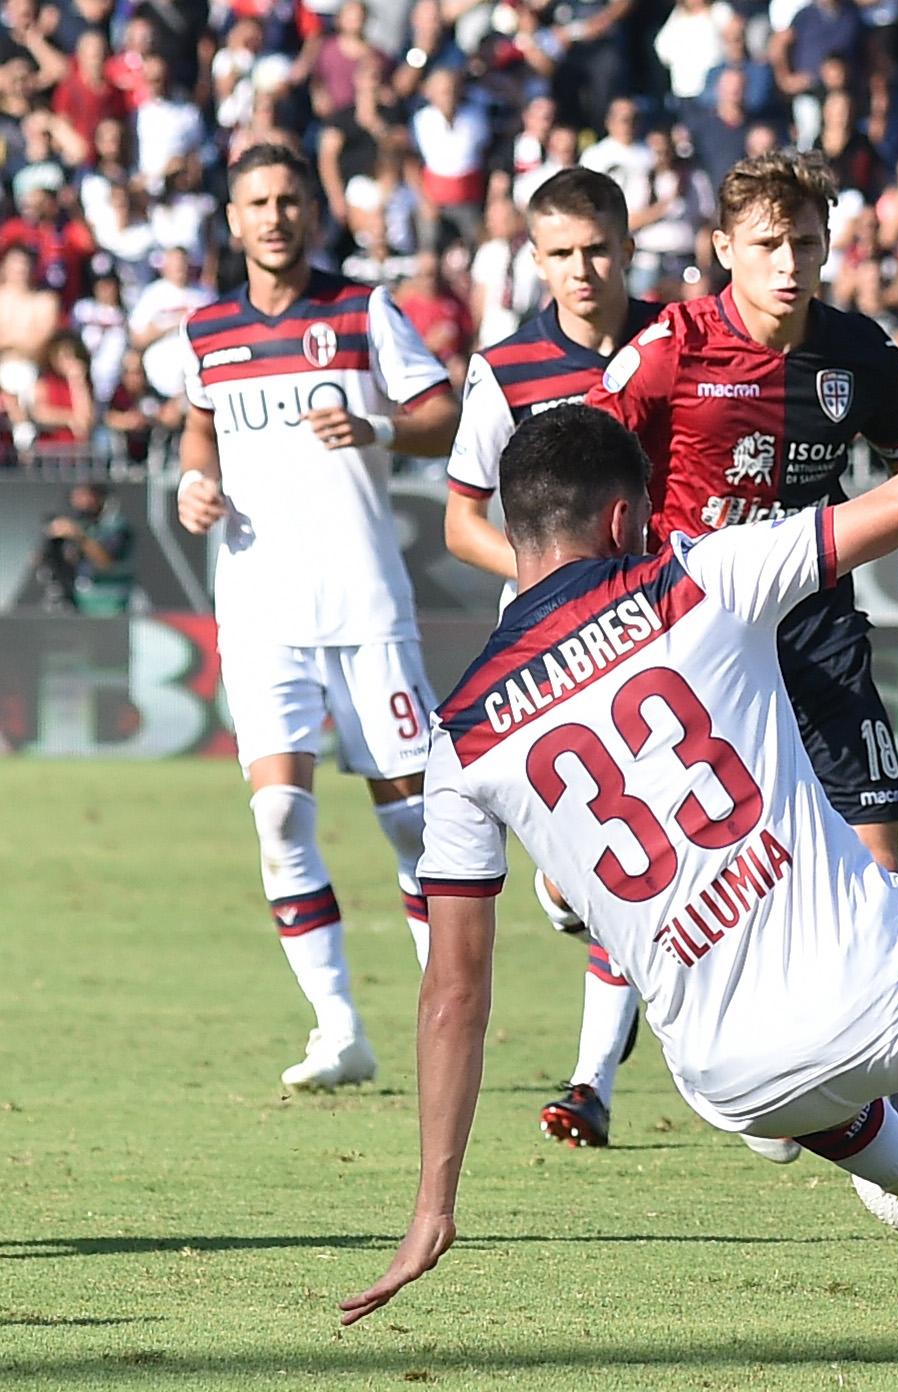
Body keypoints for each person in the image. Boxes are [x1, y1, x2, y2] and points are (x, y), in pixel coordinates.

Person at [340, 350, 898, 1324]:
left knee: (823, 1090)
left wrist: (432, 1205)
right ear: (624, 520)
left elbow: (452, 994)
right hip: (876, 981)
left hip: (727, 1077)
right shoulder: (699, 577)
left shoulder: (462, 736)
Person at [583, 150, 898, 1200]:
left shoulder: (861, 355)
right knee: (721, 873)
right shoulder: (667, 351)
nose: (791, 263)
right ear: (723, 250)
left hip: (818, 630)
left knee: (876, 848)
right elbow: (580, 474)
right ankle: (767, 1073)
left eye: (807, 242)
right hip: (700, 636)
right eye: (768, 244)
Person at [174, 143, 462, 1090]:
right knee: (279, 816)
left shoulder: (359, 309)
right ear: (232, 215)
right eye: (257, 200)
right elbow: (201, 419)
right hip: (259, 606)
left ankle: (443, 1012)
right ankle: (339, 1028)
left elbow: (443, 411)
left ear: (313, 210)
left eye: (289, 199)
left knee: (414, 828)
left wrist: (377, 426)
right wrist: (194, 481)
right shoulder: (207, 330)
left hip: (364, 603)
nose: (274, 216)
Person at [444, 168, 671, 1152]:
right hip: (553, 653)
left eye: (599, 249)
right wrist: (551, 580)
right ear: (536, 259)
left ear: (627, 245)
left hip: (670, 632)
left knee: (651, 858)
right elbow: (462, 520)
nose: (584, 270)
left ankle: (591, 1084)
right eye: (562, 254)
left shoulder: (685, 342)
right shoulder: (506, 370)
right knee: (607, 871)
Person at [36, 481, 133, 616]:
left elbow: (105, 562)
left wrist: (78, 535)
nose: (81, 503)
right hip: (82, 599)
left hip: (112, 600)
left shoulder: (116, 527)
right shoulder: (82, 524)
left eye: (85, 497)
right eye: (77, 497)